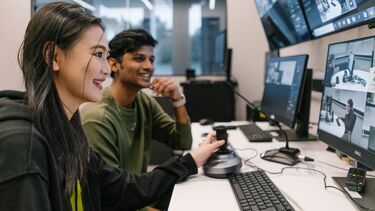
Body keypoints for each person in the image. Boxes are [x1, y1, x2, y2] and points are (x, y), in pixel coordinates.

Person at [0, 2, 224, 211]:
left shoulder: (67, 128)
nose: (107, 69)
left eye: (106, 57)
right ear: (54, 56)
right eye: (98, 54)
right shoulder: (23, 146)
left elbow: (123, 187)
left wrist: (193, 160)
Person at [80, 29, 192, 174]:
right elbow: (112, 188)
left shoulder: (143, 101)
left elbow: (183, 142)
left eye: (151, 60)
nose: (149, 66)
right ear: (114, 65)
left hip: (136, 191)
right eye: (139, 58)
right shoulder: (97, 117)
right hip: (122, 194)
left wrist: (177, 100)